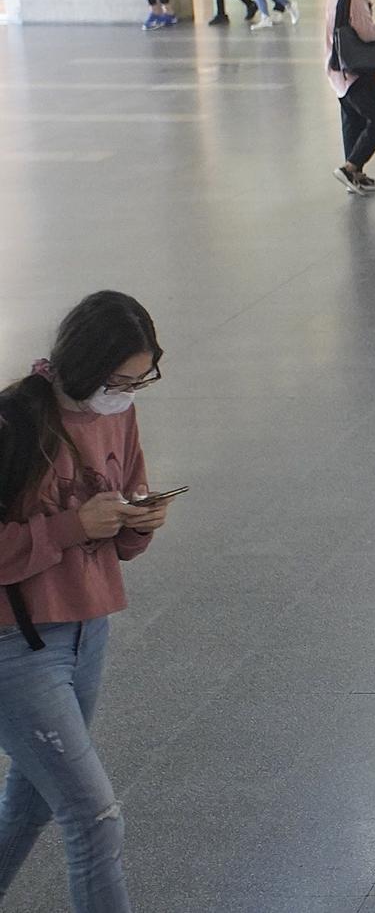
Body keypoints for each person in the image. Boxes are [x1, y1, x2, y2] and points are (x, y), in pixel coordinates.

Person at [0, 291, 174, 910]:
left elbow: (121, 523)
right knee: (93, 818)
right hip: (16, 645)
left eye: (140, 379)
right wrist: (73, 527)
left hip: (86, 628)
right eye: (118, 380)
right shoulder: (14, 423)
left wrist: (135, 522)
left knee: (33, 801)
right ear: (81, 363)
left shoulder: (119, 415)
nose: (127, 393)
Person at [325, 0, 375, 195]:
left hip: (337, 70)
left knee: (352, 121)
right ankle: (350, 167)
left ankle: (355, 175)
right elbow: (367, 33)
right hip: (357, 70)